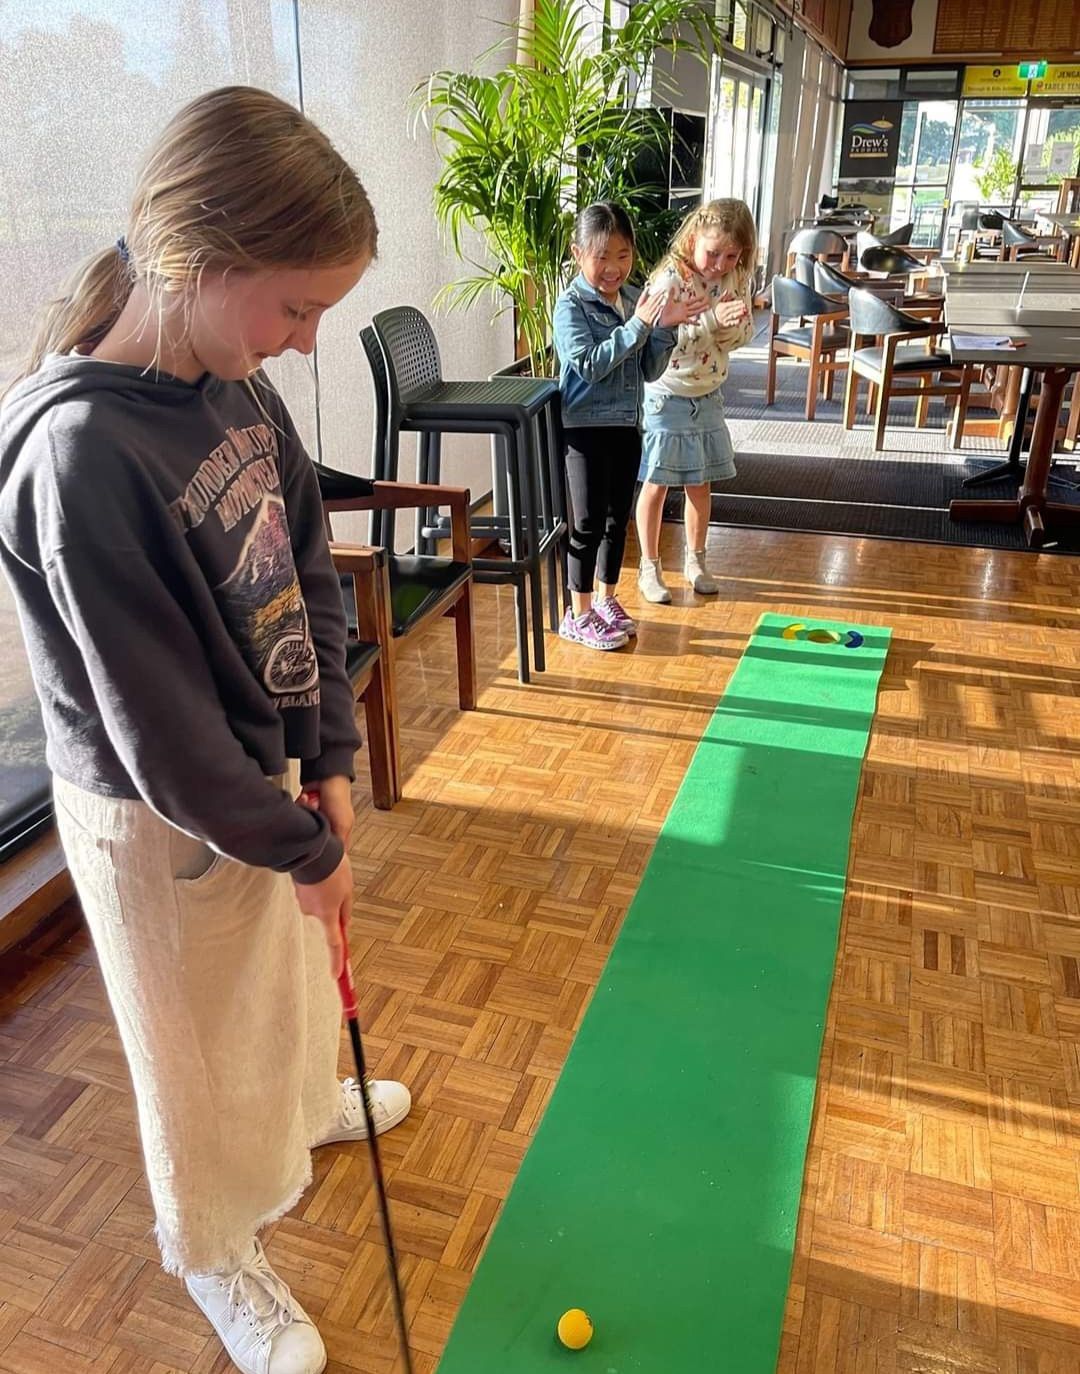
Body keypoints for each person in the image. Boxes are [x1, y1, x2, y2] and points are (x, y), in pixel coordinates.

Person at [0, 86, 409, 1374]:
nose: (303, 343)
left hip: (257, 770)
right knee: (188, 1053)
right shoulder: (82, 454)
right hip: (147, 808)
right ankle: (215, 1253)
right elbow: (160, 739)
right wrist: (306, 844)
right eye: (294, 308)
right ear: (196, 260)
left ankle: (300, 1111)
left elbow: (312, 569)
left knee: (280, 991)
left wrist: (329, 763)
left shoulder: (236, 387)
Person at [552, 202, 707, 649]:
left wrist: (665, 329)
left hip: (626, 425)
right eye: (602, 256)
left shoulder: (633, 298)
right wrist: (639, 323)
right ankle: (577, 614)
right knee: (585, 523)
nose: (614, 268)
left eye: (623, 255)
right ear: (578, 253)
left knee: (616, 521)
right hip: (584, 429)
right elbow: (587, 365)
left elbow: (649, 370)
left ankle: (605, 601)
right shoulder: (571, 307)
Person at [635, 199, 757, 604]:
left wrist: (730, 328)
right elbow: (659, 339)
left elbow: (743, 335)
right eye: (713, 253)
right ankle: (649, 567)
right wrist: (710, 322)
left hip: (707, 392)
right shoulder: (670, 280)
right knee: (656, 483)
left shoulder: (733, 278)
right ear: (693, 239)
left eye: (731, 255)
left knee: (699, 483)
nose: (720, 264)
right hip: (667, 392)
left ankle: (696, 560)